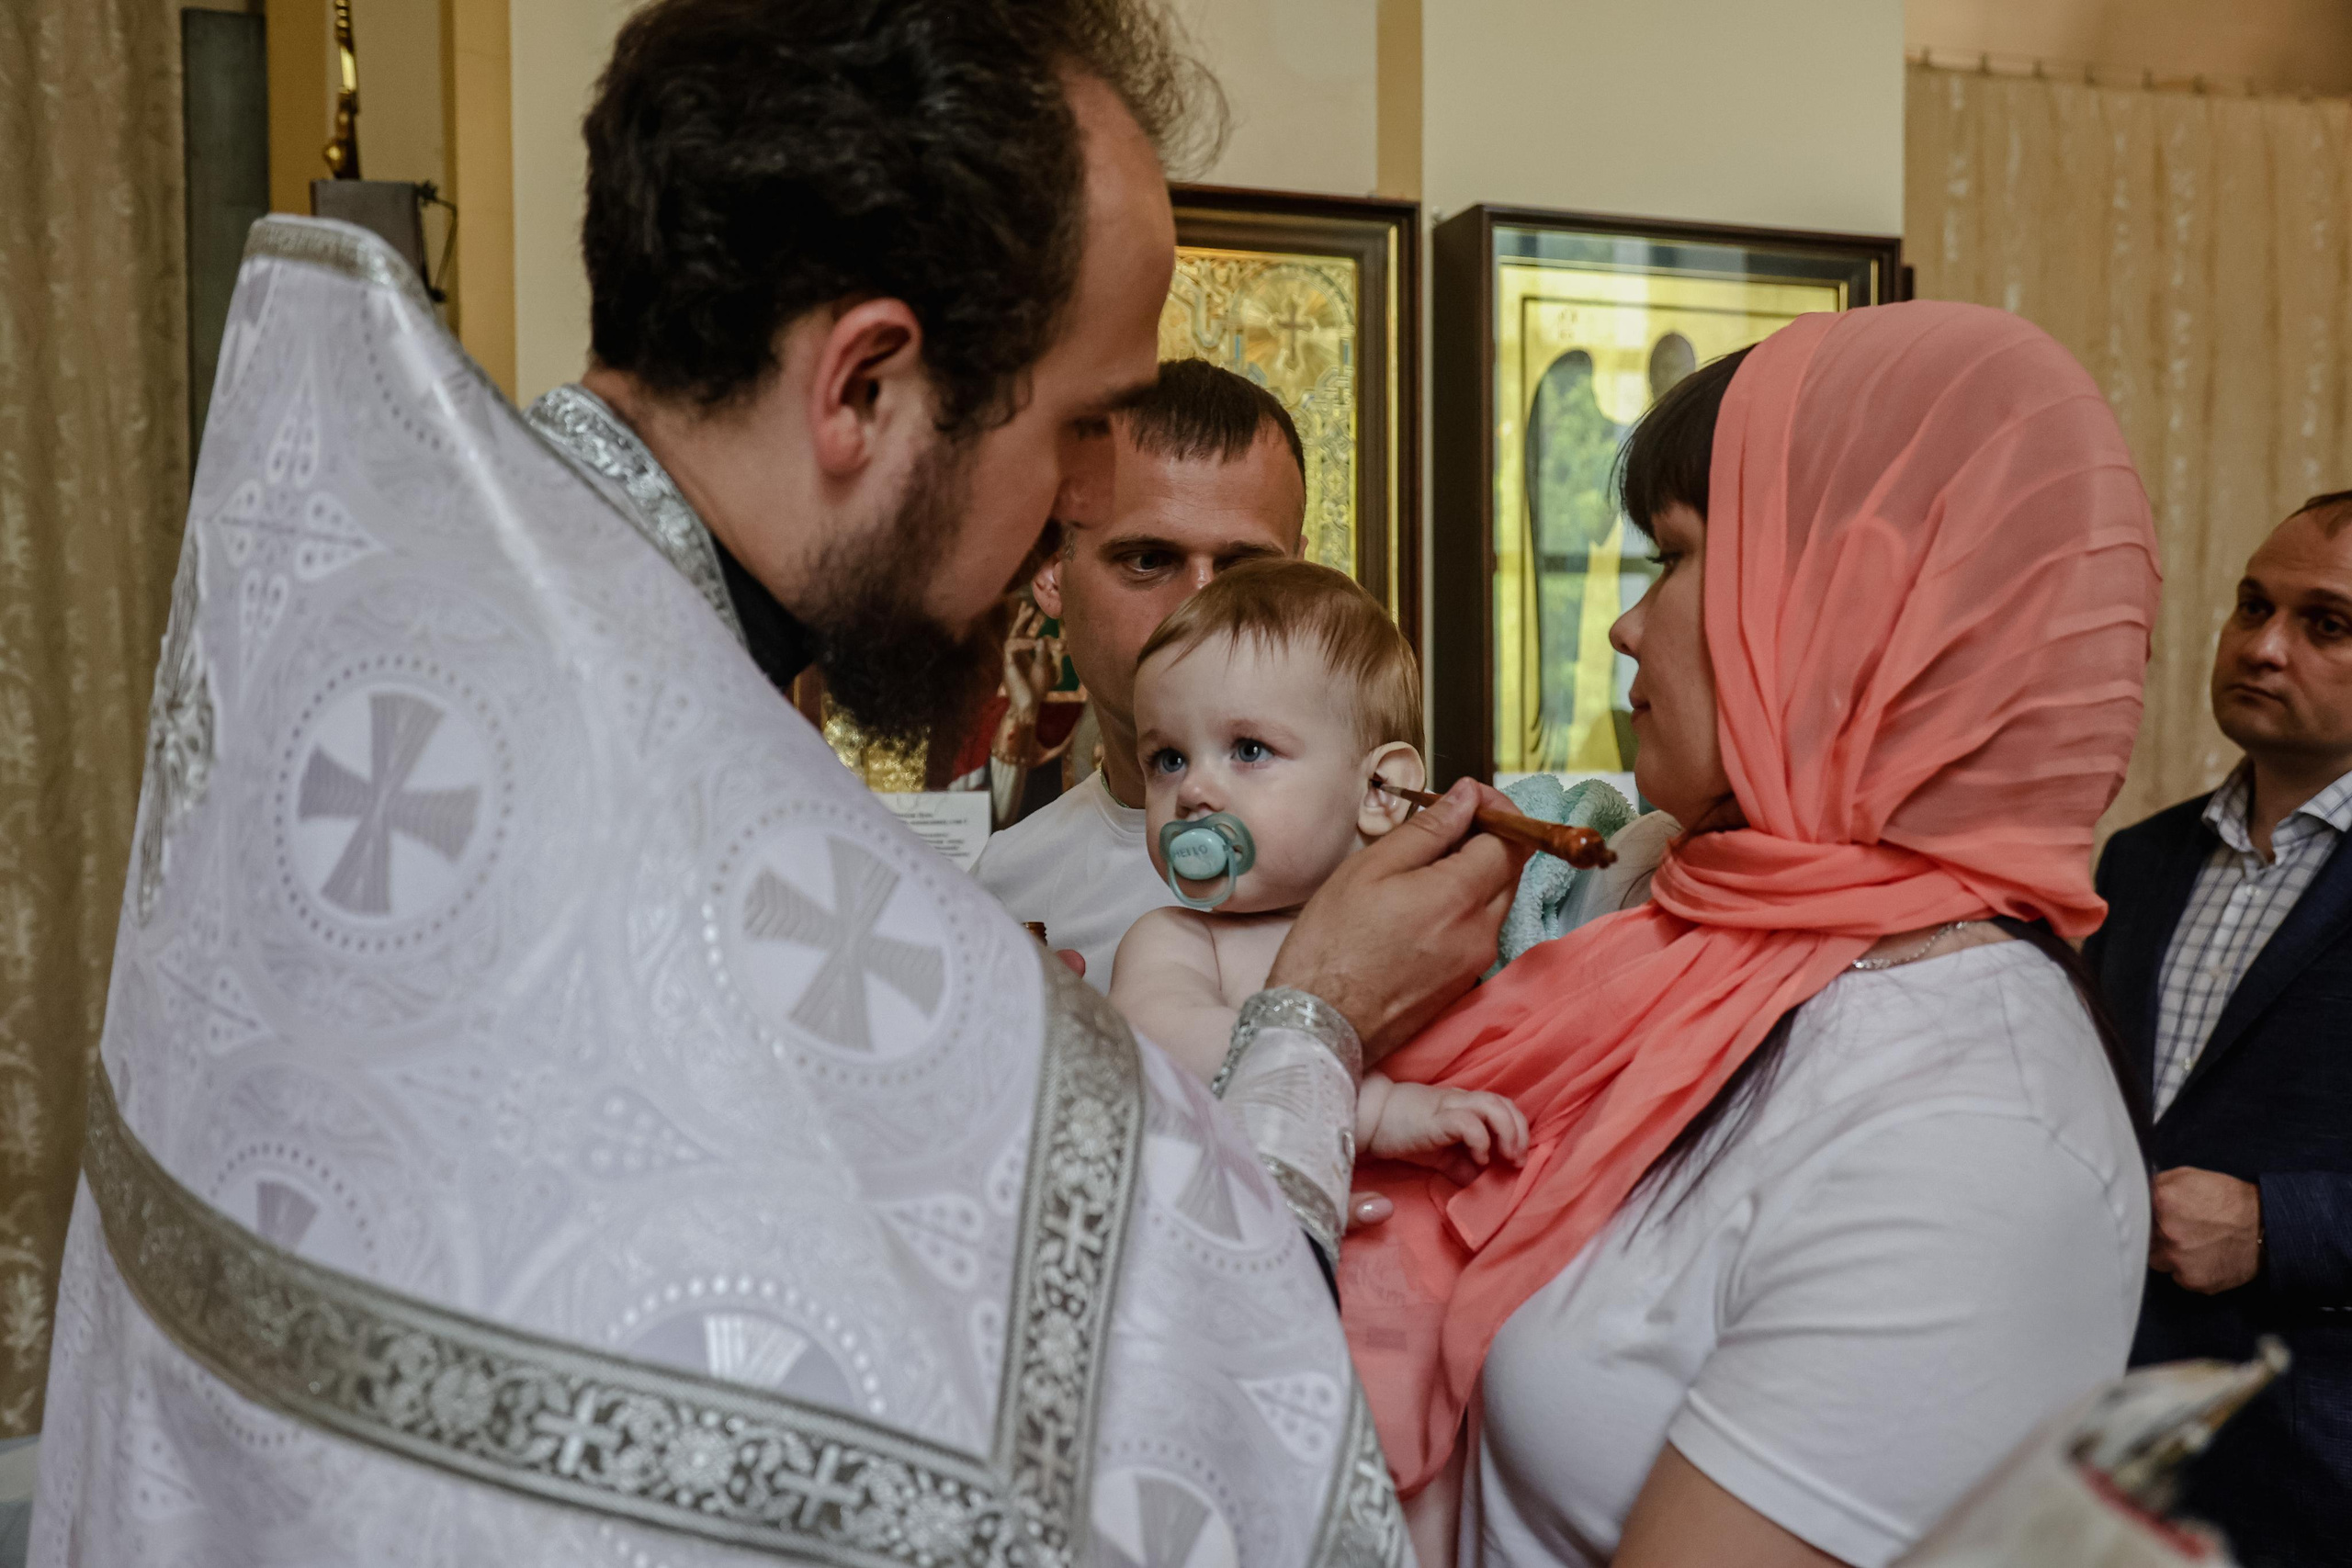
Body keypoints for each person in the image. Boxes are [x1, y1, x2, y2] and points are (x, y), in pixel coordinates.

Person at [32, 4, 1529, 1563]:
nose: (1077, 510)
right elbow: (1156, 1419)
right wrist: (1313, 1022)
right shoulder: (649, 805)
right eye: (1081, 428)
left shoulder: (429, 647)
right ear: (864, 387)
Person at [1339, 301, 2164, 1568]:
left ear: (1852, 610)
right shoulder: (1683, 917)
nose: (1626, 623)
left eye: (1671, 559)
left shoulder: (1975, 1134)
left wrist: (1314, 1015)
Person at [2085, 491, 2352, 1566]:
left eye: (2324, 623)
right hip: (2110, 1433)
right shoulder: (2138, 860)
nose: (2261, 646)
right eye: (2251, 605)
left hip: (2316, 1462)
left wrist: (2273, 1224)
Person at [1109, 560, 1532, 1178]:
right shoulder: (1177, 940)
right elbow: (1165, 1052)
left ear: (1381, 791)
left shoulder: (1427, 922)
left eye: (1249, 750)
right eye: (1168, 758)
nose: (1193, 788)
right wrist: (1377, 1109)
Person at [974, 357, 1306, 987]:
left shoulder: (1383, 859)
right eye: (1149, 560)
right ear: (1051, 572)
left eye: (1246, 567)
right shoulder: (1010, 885)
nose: (1201, 608)